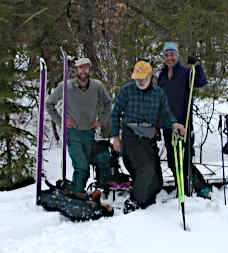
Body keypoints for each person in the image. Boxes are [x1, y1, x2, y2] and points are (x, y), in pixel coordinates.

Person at [111, 60, 185, 212]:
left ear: (150, 76)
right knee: (147, 170)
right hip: (131, 134)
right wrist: (115, 137)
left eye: (143, 77)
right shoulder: (126, 91)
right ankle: (134, 203)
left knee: (157, 181)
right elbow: (115, 114)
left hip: (149, 137)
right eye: (137, 77)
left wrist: (174, 124)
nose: (139, 80)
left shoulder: (158, 94)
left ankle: (146, 205)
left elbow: (165, 114)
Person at [45, 57, 112, 193]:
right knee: (81, 166)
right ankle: (77, 194)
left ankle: (78, 192)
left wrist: (100, 121)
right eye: (80, 68)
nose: (83, 71)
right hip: (73, 133)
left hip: (89, 133)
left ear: (89, 70)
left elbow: (108, 103)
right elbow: (49, 104)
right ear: (76, 70)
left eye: (86, 68)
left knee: (85, 166)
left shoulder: (97, 86)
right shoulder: (66, 86)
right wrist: (61, 122)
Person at [157, 42, 211, 199]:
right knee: (173, 162)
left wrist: (197, 65)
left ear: (177, 55)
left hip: (184, 123)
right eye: (166, 55)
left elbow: (201, 82)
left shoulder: (187, 72)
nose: (169, 58)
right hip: (168, 125)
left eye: (172, 54)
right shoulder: (161, 76)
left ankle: (199, 188)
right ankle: (180, 185)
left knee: (185, 159)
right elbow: (159, 100)